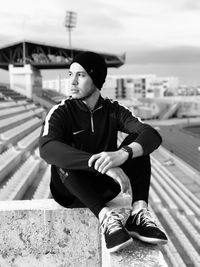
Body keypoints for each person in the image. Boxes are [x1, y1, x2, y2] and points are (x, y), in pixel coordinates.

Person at [39, 51, 168, 253]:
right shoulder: (61, 111)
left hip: (105, 189)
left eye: (80, 75)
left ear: (96, 78)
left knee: (137, 145)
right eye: (70, 74)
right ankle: (106, 218)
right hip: (70, 191)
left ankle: (139, 213)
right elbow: (46, 148)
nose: (72, 82)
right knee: (61, 153)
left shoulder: (113, 109)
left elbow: (151, 134)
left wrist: (123, 153)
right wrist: (100, 164)